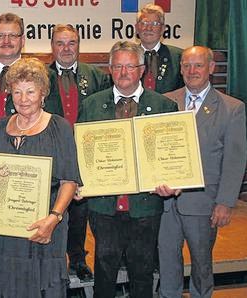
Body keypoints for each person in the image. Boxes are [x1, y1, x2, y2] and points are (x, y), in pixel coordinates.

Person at [77, 41, 178, 298]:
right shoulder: (91, 105)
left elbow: (171, 154)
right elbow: (81, 152)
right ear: (110, 69)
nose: (124, 72)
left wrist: (172, 180)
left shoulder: (163, 106)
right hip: (103, 205)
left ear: (142, 69)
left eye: (130, 66)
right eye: (118, 66)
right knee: (104, 267)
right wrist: (79, 182)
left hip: (145, 205)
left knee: (142, 270)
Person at [0, 57, 81, 297]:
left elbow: (69, 181)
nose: (23, 99)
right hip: (7, 232)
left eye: (30, 92)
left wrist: (53, 219)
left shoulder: (60, 127)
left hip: (46, 227)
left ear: (43, 93)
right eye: (17, 92)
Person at [158, 46, 247, 298]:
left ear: (211, 68)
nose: (191, 71)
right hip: (164, 202)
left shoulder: (232, 108)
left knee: (201, 265)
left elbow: (234, 159)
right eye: (186, 65)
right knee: (166, 260)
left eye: (198, 65)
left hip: (203, 203)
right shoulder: (165, 101)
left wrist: (225, 203)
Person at [49, 23, 110, 282]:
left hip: (86, 156)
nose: (66, 48)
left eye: (71, 43)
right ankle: (52, 260)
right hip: (52, 154)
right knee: (54, 208)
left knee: (81, 210)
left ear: (79, 45)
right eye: (60, 43)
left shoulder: (96, 76)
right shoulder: (41, 75)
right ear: (52, 46)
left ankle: (77, 259)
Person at [0, 13, 62, 121]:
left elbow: (54, 121)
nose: (6, 41)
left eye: (13, 36)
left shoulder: (46, 75)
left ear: (23, 40)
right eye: (0, 36)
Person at [136, 3, 184, 93]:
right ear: (137, 28)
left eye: (154, 23)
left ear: (162, 29)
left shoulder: (178, 57)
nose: (148, 28)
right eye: (144, 23)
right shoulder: (129, 56)